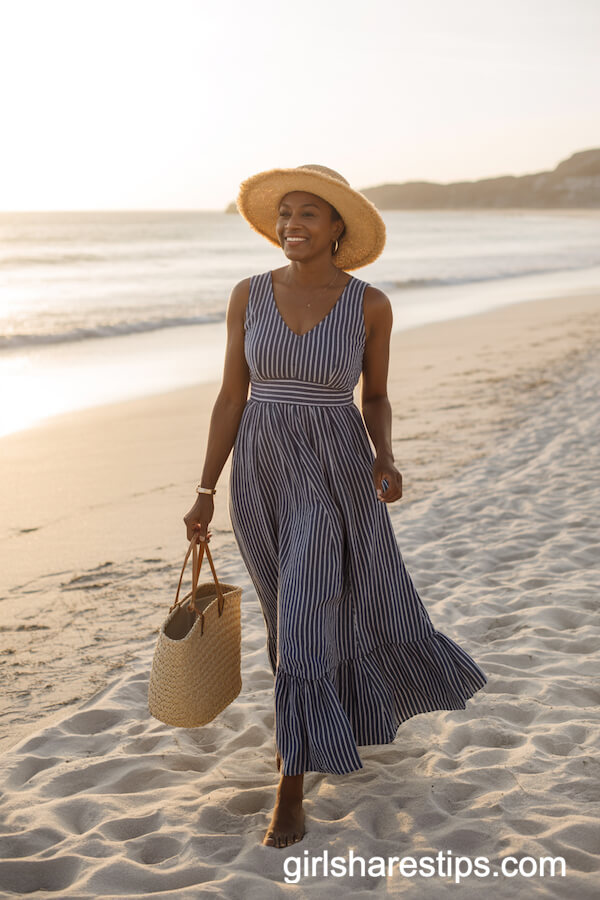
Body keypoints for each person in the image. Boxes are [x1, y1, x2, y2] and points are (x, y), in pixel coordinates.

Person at [183, 164, 487, 849]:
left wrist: (386, 455)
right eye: (285, 213)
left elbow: (374, 394)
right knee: (283, 611)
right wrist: (204, 490)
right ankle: (308, 727)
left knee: (307, 604)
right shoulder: (249, 295)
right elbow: (232, 396)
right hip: (259, 470)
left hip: (335, 468)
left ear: (337, 228)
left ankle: (291, 782)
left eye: (308, 214)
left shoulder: (369, 304)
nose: (292, 223)